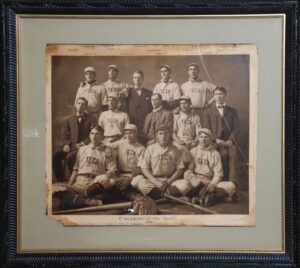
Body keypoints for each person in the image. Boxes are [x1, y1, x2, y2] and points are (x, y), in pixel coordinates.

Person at [52, 125, 117, 209]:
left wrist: (111, 172)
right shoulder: (82, 149)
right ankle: (84, 201)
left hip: (94, 183)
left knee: (105, 179)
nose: (94, 136)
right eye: (92, 133)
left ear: (102, 136)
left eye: (97, 134)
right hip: (80, 182)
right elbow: (75, 169)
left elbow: (112, 171)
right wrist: (70, 184)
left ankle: (76, 200)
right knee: (54, 189)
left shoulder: (107, 151)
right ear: (89, 135)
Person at [169, 128, 236, 206]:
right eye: (201, 137)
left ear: (210, 139)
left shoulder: (215, 154)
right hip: (195, 181)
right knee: (181, 185)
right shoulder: (193, 151)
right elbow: (190, 169)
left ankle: (198, 197)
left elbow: (218, 174)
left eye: (206, 137)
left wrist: (213, 184)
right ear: (198, 138)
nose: (203, 139)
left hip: (208, 182)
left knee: (231, 186)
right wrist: (187, 173)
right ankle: (208, 198)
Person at [131, 125, 184, 200]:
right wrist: (156, 182)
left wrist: (169, 181)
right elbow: (144, 168)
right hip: (155, 179)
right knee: (140, 183)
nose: (163, 136)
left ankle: (159, 195)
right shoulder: (150, 148)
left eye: (166, 133)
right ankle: (168, 196)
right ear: (157, 135)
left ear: (169, 135)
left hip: (170, 180)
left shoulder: (175, 149)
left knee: (186, 184)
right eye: (160, 133)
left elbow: (180, 169)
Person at [203, 87, 240, 188]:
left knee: (233, 153)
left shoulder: (232, 111)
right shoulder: (208, 111)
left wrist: (231, 140)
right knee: (223, 154)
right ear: (213, 96)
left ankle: (233, 183)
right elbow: (206, 128)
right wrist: (216, 139)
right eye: (216, 94)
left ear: (225, 96)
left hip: (229, 141)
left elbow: (236, 129)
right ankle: (222, 184)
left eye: (221, 94)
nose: (218, 96)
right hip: (215, 142)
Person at [52, 97, 96, 182]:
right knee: (55, 157)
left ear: (86, 107)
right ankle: (62, 180)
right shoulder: (69, 120)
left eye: (83, 104)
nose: (80, 106)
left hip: (84, 148)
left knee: (70, 157)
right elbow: (66, 135)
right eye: (79, 103)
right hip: (71, 147)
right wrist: (66, 144)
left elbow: (92, 134)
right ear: (75, 105)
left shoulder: (91, 120)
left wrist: (83, 143)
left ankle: (72, 181)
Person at [109, 124, 145, 191]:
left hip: (133, 176)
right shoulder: (120, 143)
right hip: (120, 174)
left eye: (130, 133)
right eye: (126, 133)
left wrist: (129, 178)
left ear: (136, 133)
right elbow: (107, 147)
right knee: (110, 183)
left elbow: (139, 168)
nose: (128, 136)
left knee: (137, 181)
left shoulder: (141, 148)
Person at [173, 96, 202, 165]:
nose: (183, 105)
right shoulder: (176, 116)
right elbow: (173, 132)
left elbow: (199, 133)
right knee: (181, 150)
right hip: (179, 142)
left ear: (190, 104)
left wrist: (194, 143)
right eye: (181, 103)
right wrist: (178, 141)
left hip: (191, 142)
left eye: (185, 103)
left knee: (197, 154)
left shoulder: (196, 117)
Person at [125, 70, 152, 141]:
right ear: (133, 79)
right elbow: (125, 108)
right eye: (135, 78)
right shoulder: (128, 92)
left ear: (142, 79)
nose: (137, 80)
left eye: (139, 78)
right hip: (132, 122)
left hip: (144, 123)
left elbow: (151, 109)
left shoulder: (149, 93)